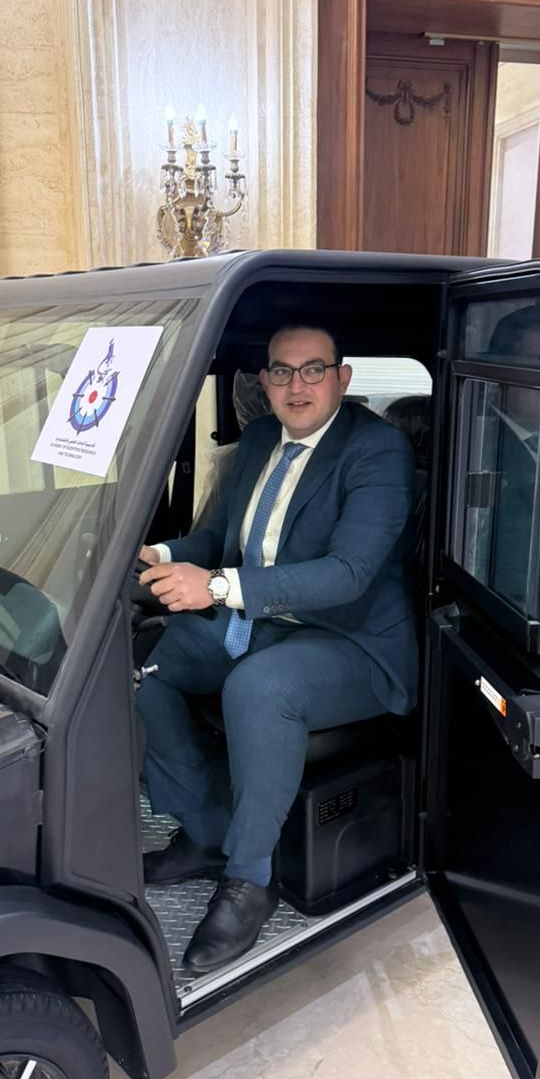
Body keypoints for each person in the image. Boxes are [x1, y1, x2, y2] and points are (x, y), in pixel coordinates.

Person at [136, 326, 418, 974]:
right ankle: (207, 832)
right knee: (143, 667)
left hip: (353, 639)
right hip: (262, 618)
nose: (297, 386)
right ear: (263, 382)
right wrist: (158, 554)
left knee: (261, 688)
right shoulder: (262, 438)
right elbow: (219, 540)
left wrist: (215, 587)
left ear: (342, 379)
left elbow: (348, 573)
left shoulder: (378, 451)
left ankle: (250, 880)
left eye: (313, 370)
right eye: (282, 372)